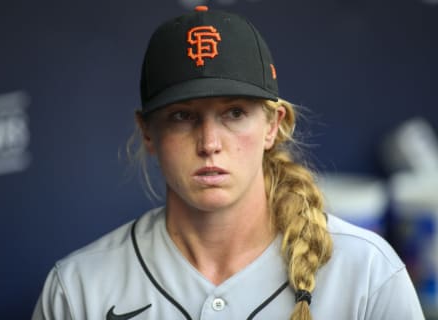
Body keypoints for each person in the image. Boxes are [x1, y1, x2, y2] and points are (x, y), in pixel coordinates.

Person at [32, 6, 425, 320]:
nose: (209, 143)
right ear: (148, 132)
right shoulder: (79, 289)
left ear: (273, 125)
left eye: (234, 113)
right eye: (182, 116)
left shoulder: (366, 272)